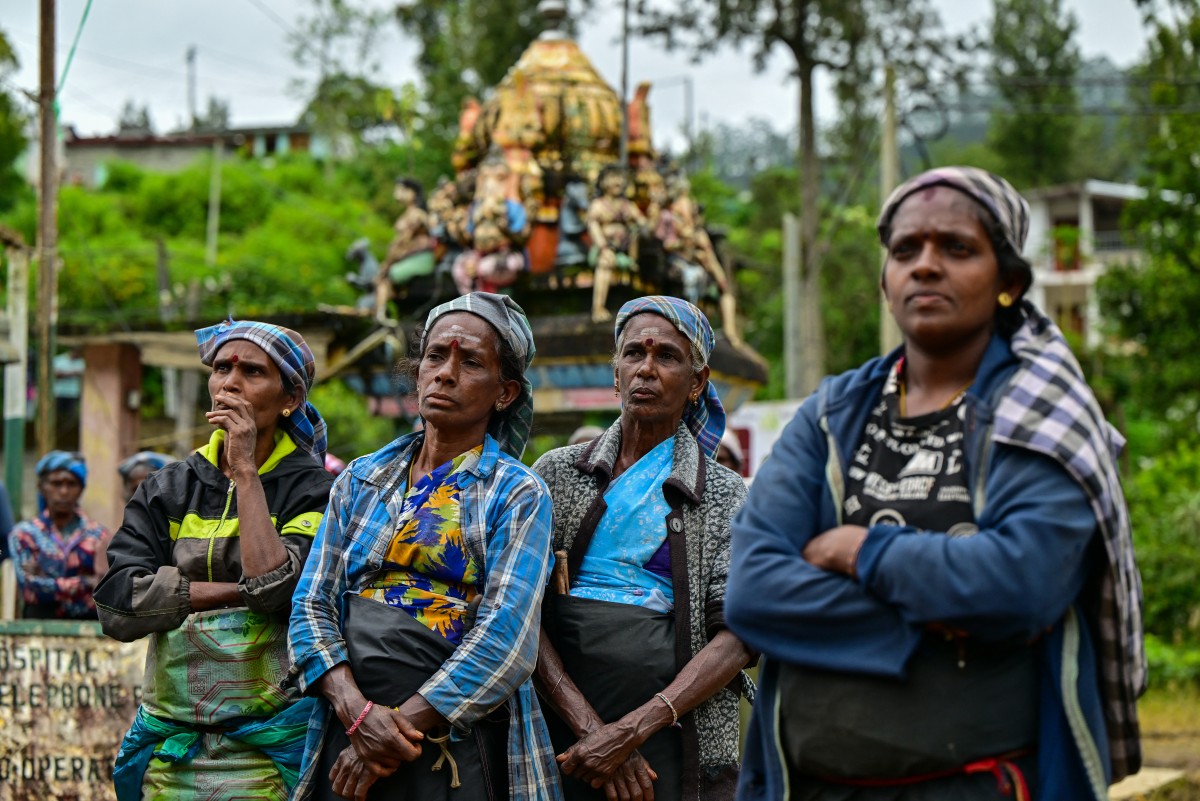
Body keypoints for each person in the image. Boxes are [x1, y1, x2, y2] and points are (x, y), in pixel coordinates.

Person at [726, 167, 1145, 801]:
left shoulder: (1042, 415)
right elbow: (754, 592)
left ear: (1008, 282)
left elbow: (1020, 583)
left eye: (956, 248)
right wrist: (949, 618)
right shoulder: (832, 415)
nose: (925, 265)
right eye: (905, 250)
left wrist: (860, 551)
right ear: (885, 281)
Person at [287, 292, 561, 801]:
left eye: (471, 362)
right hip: (346, 723)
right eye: (435, 356)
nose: (445, 373)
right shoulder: (362, 478)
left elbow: (507, 638)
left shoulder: (517, 493)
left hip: (444, 744)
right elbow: (310, 603)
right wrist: (356, 712)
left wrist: (389, 733)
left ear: (504, 394)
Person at [95, 320, 334, 801]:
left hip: (273, 745)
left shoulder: (316, 489)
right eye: (222, 368)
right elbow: (118, 604)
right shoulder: (168, 487)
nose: (230, 382)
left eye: (252, 371)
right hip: (173, 741)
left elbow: (274, 590)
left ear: (290, 399)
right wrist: (232, 592)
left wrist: (246, 470)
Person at [533, 296, 754, 801]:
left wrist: (631, 731)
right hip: (562, 734)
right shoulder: (557, 474)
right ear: (615, 374)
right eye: (633, 354)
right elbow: (519, 612)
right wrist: (594, 731)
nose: (646, 369)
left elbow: (739, 636)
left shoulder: (722, 493)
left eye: (668, 357)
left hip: (672, 742)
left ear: (697, 383)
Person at [9, 451, 108, 619]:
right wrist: (86, 581)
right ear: (42, 487)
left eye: (71, 484)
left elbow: (105, 590)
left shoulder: (99, 534)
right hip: (37, 632)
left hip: (90, 630)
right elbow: (30, 589)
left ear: (81, 488)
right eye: (56, 484)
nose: (63, 491)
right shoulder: (25, 534)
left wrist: (47, 579)